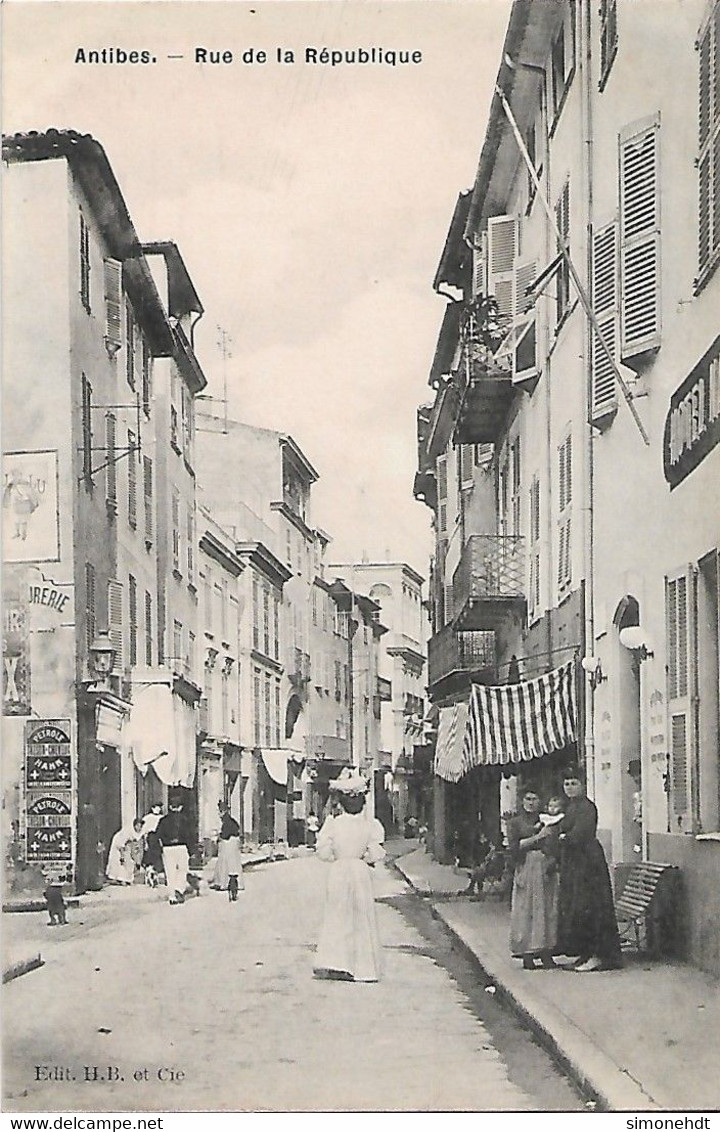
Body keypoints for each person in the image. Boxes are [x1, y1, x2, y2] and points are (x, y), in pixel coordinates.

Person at [313, 773, 386, 982]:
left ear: (342, 803)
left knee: (338, 913)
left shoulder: (333, 824)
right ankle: (363, 966)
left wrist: (338, 855)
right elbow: (376, 852)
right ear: (362, 803)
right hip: (359, 870)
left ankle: (337, 963)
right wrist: (363, 857)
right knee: (361, 915)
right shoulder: (369, 826)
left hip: (339, 871)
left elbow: (323, 852)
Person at [555, 767, 623, 972]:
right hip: (575, 862)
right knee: (578, 908)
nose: (570, 788)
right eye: (566, 784)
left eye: (574, 783)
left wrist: (564, 837)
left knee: (592, 906)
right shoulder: (571, 807)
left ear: (582, 785)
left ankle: (600, 955)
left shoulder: (587, 807)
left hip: (588, 862)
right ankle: (585, 953)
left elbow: (580, 834)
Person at [507, 790, 560, 969]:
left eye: (535, 798)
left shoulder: (549, 820)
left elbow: (556, 843)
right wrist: (538, 836)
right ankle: (528, 954)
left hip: (546, 866)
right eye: (527, 799)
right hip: (527, 866)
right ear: (522, 801)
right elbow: (514, 847)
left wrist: (552, 859)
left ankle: (546, 952)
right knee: (527, 909)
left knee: (547, 908)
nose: (531, 802)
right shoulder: (515, 822)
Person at [156, 795, 194, 905]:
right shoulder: (185, 820)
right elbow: (190, 836)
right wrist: (192, 851)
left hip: (168, 848)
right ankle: (179, 889)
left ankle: (172, 896)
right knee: (182, 870)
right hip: (181, 847)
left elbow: (157, 835)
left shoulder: (163, 820)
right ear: (181, 807)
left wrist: (160, 848)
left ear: (170, 807)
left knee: (170, 872)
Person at [211, 803, 244, 894]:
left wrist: (219, 837)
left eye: (219, 811)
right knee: (232, 863)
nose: (218, 814)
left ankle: (223, 883)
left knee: (225, 863)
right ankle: (229, 882)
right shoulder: (231, 820)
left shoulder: (227, 821)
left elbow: (226, 834)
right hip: (232, 844)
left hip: (228, 844)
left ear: (223, 811)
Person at [106, 818, 144, 885]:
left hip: (125, 846)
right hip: (119, 843)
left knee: (128, 862)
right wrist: (122, 855)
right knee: (119, 861)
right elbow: (120, 843)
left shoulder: (136, 833)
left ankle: (127, 878)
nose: (139, 828)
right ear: (134, 825)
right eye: (137, 826)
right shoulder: (127, 832)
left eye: (140, 826)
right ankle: (119, 878)